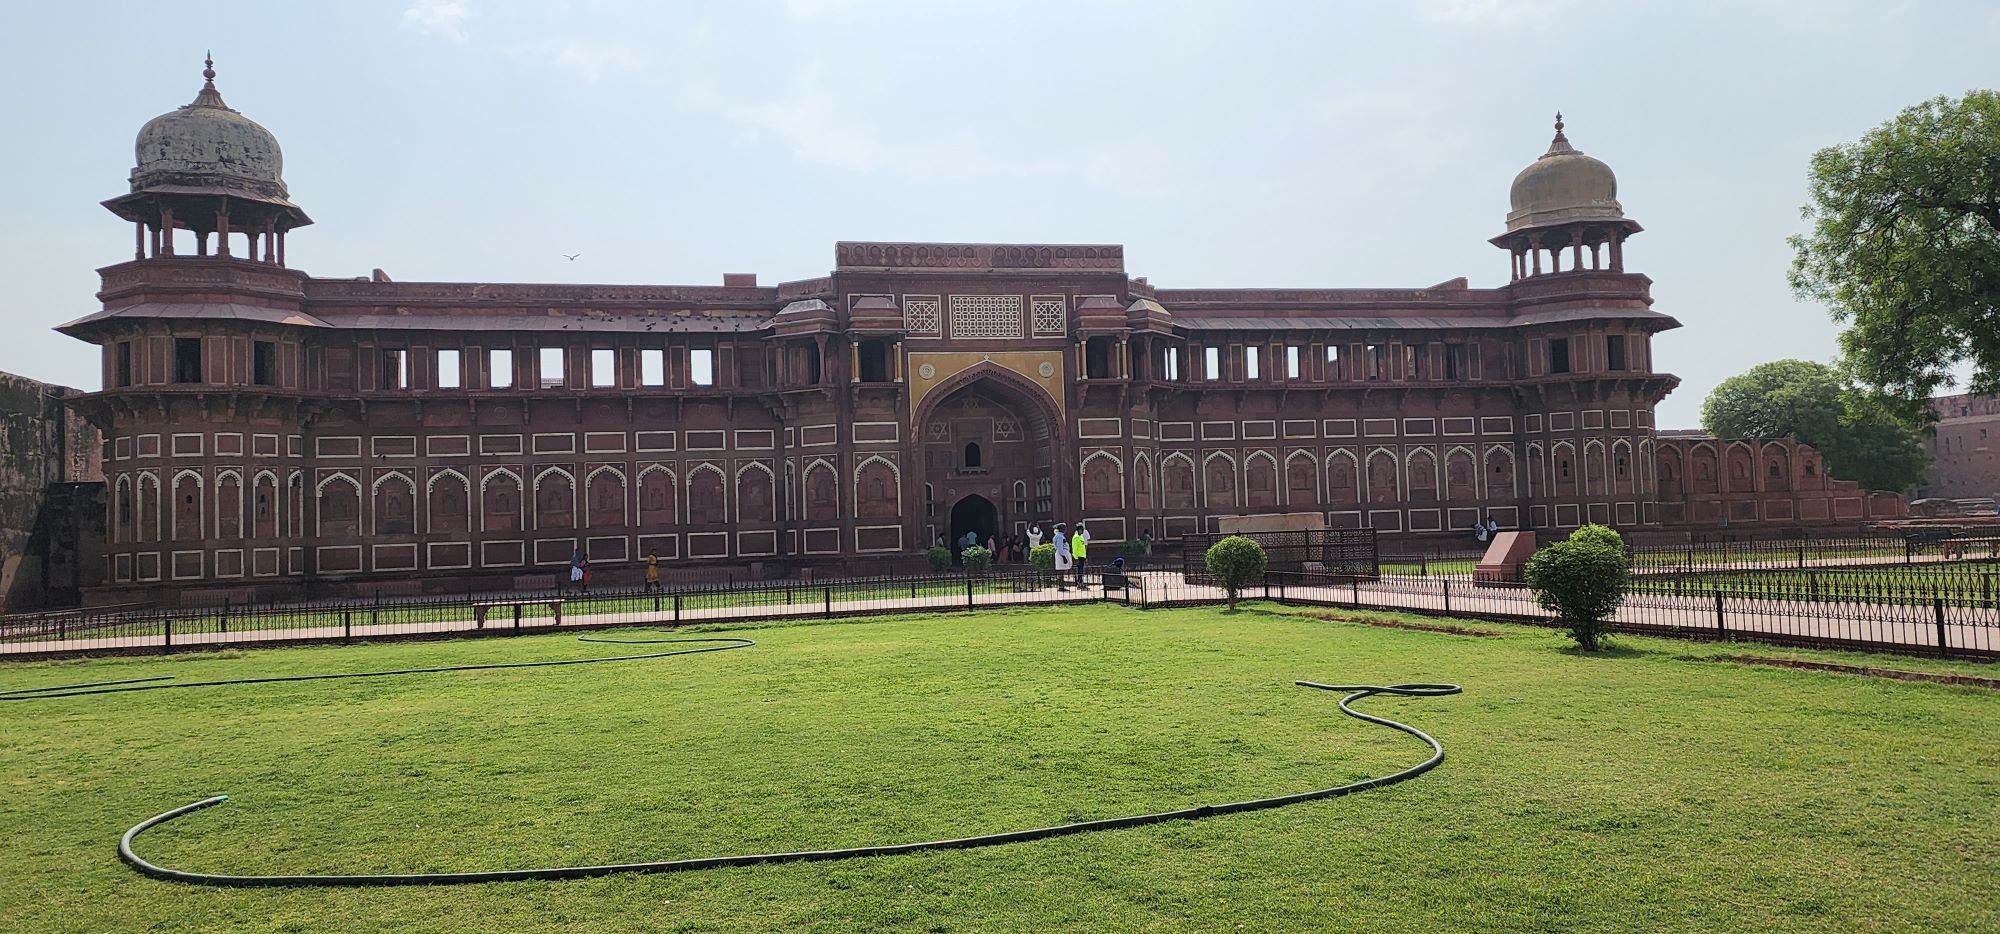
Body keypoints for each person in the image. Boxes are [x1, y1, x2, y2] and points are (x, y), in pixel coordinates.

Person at [1052, 523, 1072, 590]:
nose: (1065, 529)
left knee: (1061, 570)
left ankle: (1061, 585)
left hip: (1061, 553)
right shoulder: (1060, 537)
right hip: (1061, 554)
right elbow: (1060, 547)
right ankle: (1061, 586)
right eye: (1064, 528)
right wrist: (1064, 557)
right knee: (1061, 571)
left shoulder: (1058, 536)